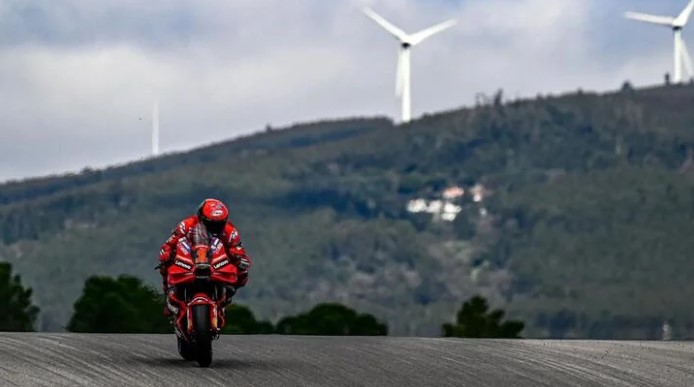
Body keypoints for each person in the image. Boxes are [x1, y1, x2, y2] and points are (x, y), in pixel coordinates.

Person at [158, 198, 251, 317]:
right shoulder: (186, 225)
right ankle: (168, 294)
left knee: (243, 271)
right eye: (210, 223)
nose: (215, 227)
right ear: (201, 218)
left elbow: (237, 249)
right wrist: (166, 254)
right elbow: (169, 243)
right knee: (164, 265)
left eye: (220, 223)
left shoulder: (230, 231)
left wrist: (239, 259)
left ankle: (226, 296)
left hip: (216, 261)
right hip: (190, 258)